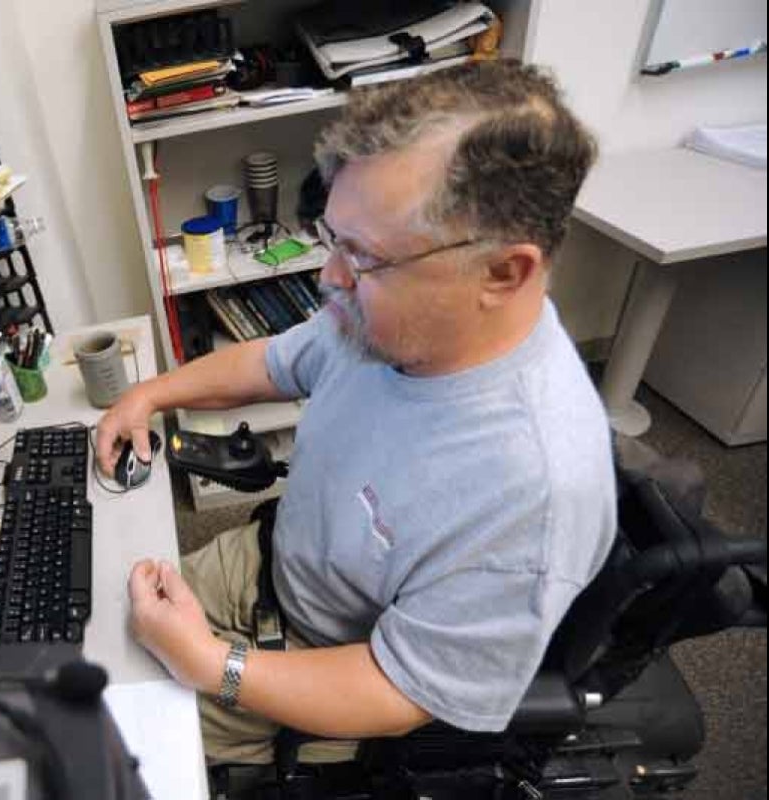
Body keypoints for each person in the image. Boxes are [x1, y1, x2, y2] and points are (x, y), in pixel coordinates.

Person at [96, 59, 616, 764]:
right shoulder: (382, 321)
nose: (328, 278)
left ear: (503, 272)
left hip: (317, 667)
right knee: (79, 628)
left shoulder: (534, 489)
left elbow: (398, 689)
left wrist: (212, 664)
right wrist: (148, 395)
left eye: (364, 257)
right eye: (333, 238)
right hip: (267, 566)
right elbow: (274, 361)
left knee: (81, 754)